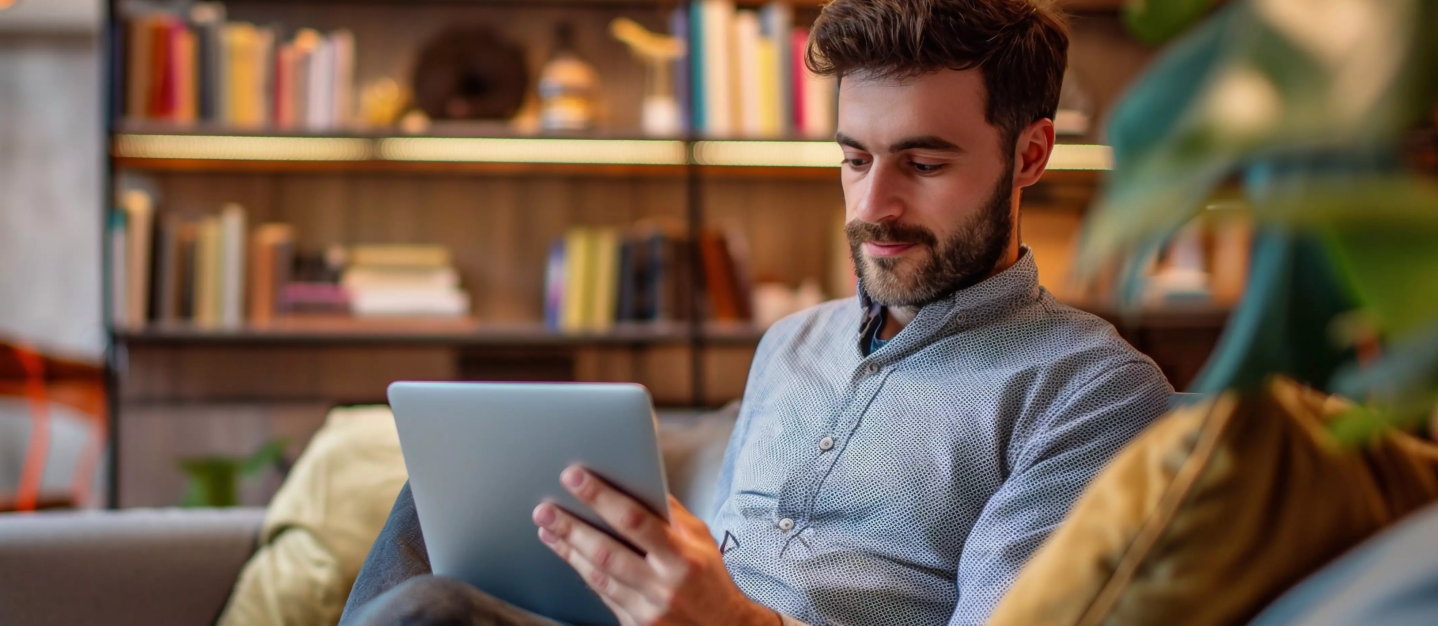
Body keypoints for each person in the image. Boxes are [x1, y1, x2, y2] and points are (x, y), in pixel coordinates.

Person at [339, 0, 1177, 624]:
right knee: (438, 495)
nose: (872, 205)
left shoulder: (1088, 392)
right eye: (854, 158)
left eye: (922, 162)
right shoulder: (791, 343)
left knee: (430, 615)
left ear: (1030, 154)